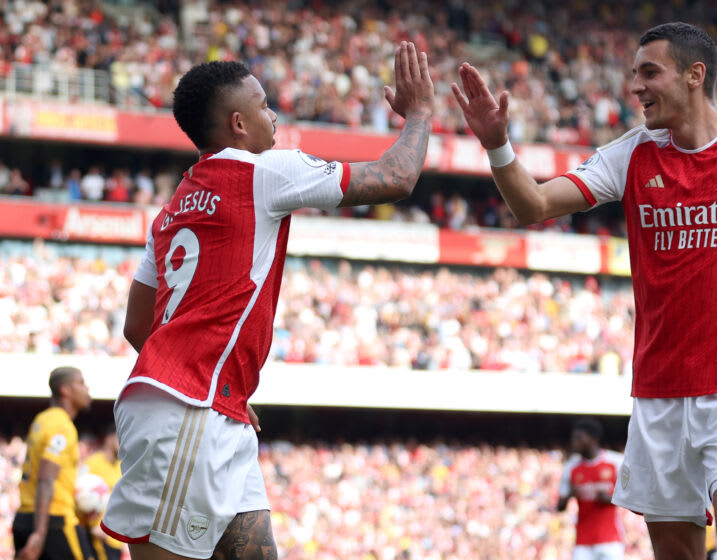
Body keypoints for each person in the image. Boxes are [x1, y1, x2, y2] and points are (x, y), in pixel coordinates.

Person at [452, 21, 717, 560]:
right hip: (659, 391)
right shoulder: (631, 155)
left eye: (649, 73)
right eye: (634, 74)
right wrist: (497, 144)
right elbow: (533, 206)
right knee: (676, 553)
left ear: (694, 75)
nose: (635, 87)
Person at [101, 40, 433, 560]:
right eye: (262, 105)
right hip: (188, 408)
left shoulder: (172, 210)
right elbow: (397, 177)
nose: (273, 114)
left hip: (210, 404)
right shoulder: (263, 171)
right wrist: (420, 113)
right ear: (238, 123)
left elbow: (136, 326)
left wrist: (217, 376)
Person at [13, 366, 94, 560]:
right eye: (81, 383)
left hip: (25, 516)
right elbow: (46, 479)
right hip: (53, 521)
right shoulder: (61, 426)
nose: (87, 388)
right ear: (65, 390)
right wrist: (40, 534)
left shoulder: (42, 419)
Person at [556, 417, 624, 560]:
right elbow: (559, 507)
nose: (574, 442)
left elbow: (629, 498)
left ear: (592, 438)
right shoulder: (571, 467)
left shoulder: (614, 462)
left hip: (610, 540)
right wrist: (570, 495)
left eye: (579, 437)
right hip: (583, 542)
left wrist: (609, 499)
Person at [80, 425, 123, 560]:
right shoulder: (92, 463)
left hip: (117, 539)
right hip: (98, 538)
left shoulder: (123, 466)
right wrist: (92, 526)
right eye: (120, 437)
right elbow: (78, 494)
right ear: (109, 438)